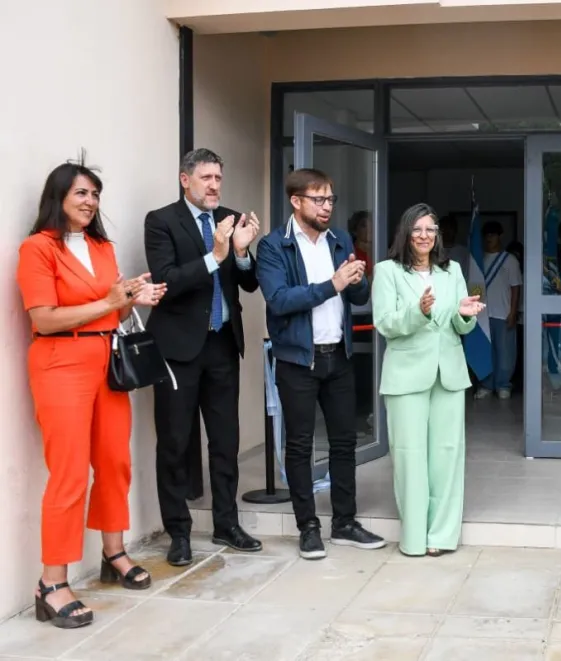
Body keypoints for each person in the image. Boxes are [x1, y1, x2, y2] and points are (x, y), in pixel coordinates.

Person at [17, 159, 166, 628]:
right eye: (81, 193)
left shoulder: (103, 247)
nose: (90, 202)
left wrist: (130, 302)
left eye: (95, 194)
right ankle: (52, 583)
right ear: (57, 197)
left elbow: (111, 314)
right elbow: (43, 318)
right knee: (69, 473)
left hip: (107, 362)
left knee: (115, 461)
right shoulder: (37, 249)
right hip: (60, 365)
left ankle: (113, 553)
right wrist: (108, 301)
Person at [256, 168, 385, 559]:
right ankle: (307, 527)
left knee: (344, 443)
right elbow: (279, 300)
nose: (327, 206)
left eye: (330, 199)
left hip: (338, 356)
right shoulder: (274, 247)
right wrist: (334, 283)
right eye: (319, 199)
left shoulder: (340, 239)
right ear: (296, 202)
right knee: (299, 446)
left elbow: (357, 296)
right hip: (298, 359)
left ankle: (344, 522)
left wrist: (359, 278)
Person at [144, 148, 262, 566]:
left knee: (225, 440)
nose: (214, 185)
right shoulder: (161, 221)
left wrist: (244, 253)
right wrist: (215, 256)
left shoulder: (231, 219)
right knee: (175, 442)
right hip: (177, 349)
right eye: (206, 178)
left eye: (218, 178)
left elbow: (248, 285)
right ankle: (179, 533)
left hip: (222, 344)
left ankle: (227, 524)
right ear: (185, 180)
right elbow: (167, 282)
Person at [371, 203, 485, 557]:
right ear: (406, 233)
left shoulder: (451, 272)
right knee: (409, 456)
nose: (424, 236)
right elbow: (386, 323)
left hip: (449, 372)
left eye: (431, 230)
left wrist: (465, 316)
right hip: (406, 375)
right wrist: (417, 312)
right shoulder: (387, 271)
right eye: (418, 229)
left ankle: (441, 536)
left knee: (447, 456)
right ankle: (415, 537)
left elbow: (458, 323)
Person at [474, 221, 521, 400]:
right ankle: (486, 384)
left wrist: (513, 311)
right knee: (485, 351)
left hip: (503, 313)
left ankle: (503, 385)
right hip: (482, 314)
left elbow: (516, 287)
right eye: (486, 235)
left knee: (505, 352)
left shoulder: (509, 260)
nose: (489, 239)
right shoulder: (478, 259)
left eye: (492, 235)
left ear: (500, 236)